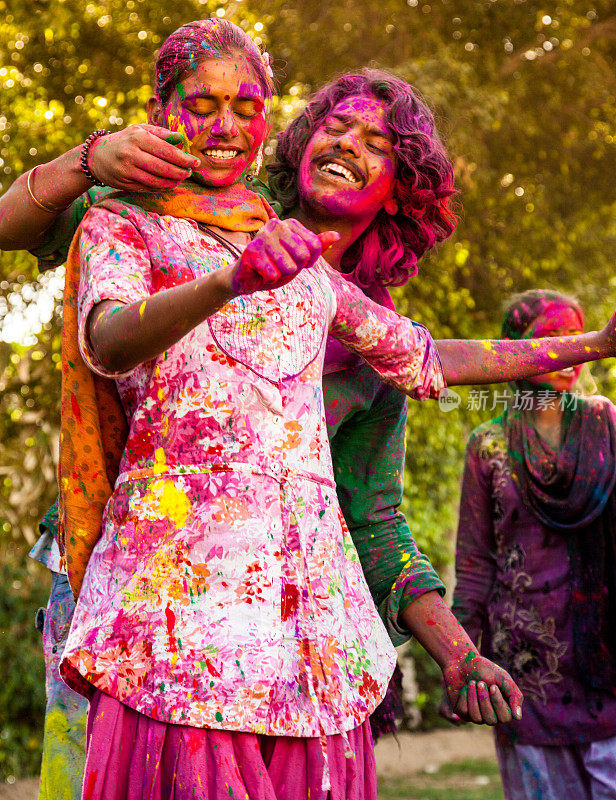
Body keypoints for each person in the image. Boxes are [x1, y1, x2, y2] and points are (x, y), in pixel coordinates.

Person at [3, 35, 616, 795]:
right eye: (201, 105)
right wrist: (95, 165)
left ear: (400, 186)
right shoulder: (134, 212)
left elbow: (417, 381)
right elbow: (106, 334)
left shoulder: (320, 281)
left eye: (377, 143)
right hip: (158, 600)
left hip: (300, 626)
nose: (225, 124)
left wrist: (592, 344)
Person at [447, 289, 616, 800]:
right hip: (526, 664)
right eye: (550, 341)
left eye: (576, 338)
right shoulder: (489, 446)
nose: (569, 355)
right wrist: (462, 655)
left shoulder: (607, 423)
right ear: (516, 349)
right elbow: (475, 563)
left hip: (604, 654)